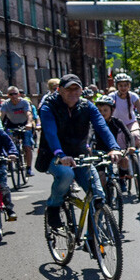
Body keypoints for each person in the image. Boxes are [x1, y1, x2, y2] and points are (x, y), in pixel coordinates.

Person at [36, 74, 123, 229]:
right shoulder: (49, 106)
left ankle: (93, 237)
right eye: (69, 89)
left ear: (81, 91)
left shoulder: (87, 106)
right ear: (60, 90)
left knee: (98, 196)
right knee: (66, 174)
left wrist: (114, 147)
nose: (73, 93)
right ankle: (54, 207)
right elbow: (50, 133)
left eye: (76, 90)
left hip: (79, 154)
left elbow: (101, 127)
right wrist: (60, 154)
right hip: (54, 154)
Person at [93, 95, 134, 179]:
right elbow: (89, 135)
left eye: (105, 110)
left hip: (113, 150)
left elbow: (128, 135)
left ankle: (122, 178)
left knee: (125, 160)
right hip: (98, 152)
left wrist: (131, 146)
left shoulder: (117, 121)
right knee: (101, 177)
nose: (102, 113)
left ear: (112, 110)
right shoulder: (94, 123)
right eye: (99, 110)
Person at [0, 86, 36, 176]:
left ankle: (29, 168)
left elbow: (29, 114)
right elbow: (1, 115)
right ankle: (10, 163)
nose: (13, 96)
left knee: (27, 146)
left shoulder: (24, 102)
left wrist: (29, 123)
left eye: (15, 93)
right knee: (8, 141)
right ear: (8, 95)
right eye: (11, 94)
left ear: (18, 94)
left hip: (24, 124)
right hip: (11, 125)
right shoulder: (5, 104)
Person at [108, 73, 140, 148]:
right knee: (121, 146)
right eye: (121, 85)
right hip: (117, 125)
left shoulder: (133, 96)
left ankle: (138, 156)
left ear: (129, 86)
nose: (123, 88)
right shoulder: (112, 96)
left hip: (131, 122)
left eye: (125, 85)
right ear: (117, 86)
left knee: (135, 136)